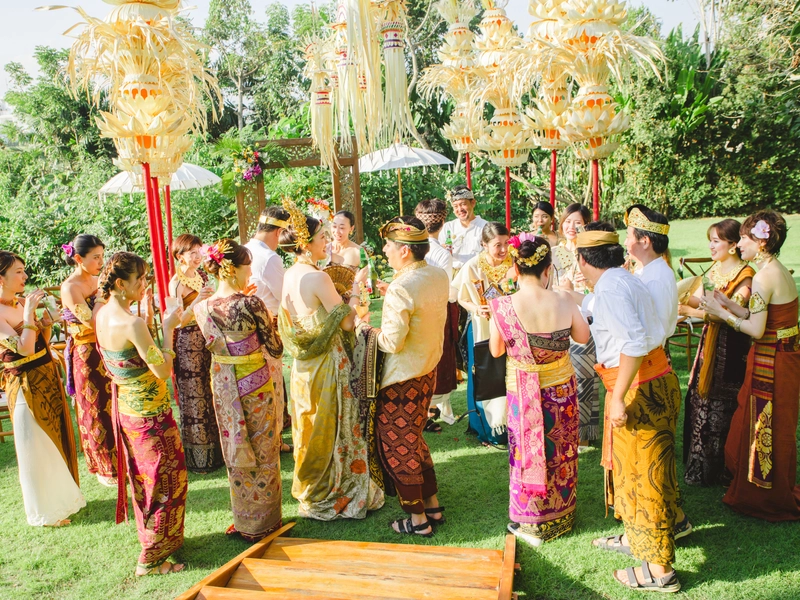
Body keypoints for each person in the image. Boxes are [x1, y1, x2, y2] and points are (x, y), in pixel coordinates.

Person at [577, 224, 682, 593]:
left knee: (645, 479)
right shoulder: (626, 278)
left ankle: (659, 570)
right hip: (656, 381)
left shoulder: (608, 289)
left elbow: (634, 343)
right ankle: (640, 539)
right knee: (646, 473)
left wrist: (618, 396)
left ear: (582, 260)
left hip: (640, 389)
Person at [278, 199, 382, 520]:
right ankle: (336, 489)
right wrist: (353, 289)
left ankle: (311, 487)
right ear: (305, 244)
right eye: (322, 236)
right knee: (334, 424)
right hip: (328, 362)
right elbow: (348, 322)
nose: (327, 241)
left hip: (301, 366)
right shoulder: (319, 278)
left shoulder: (289, 275)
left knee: (308, 425)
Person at [489, 234, 589, 546]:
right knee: (560, 451)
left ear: (515, 270)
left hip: (523, 391)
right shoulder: (563, 299)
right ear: (548, 269)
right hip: (561, 391)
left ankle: (530, 521)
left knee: (526, 452)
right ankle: (562, 514)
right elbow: (583, 337)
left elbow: (495, 351)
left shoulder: (503, 306)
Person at [702, 211, 800, 521]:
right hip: (782, 355)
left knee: (765, 423)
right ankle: (770, 486)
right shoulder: (775, 270)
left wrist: (723, 313)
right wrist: (730, 304)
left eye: (744, 238)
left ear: (761, 241)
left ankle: (763, 494)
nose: (740, 244)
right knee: (774, 424)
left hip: (773, 360)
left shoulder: (762, 276)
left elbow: (756, 330)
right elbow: (762, 318)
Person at [95, 252, 187, 576]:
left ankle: (160, 542)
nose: (145, 284)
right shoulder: (132, 323)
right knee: (166, 481)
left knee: (145, 481)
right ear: (120, 284)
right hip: (150, 413)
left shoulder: (102, 315)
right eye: (141, 279)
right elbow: (162, 370)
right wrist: (167, 327)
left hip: (128, 412)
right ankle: (150, 559)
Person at [194, 239, 285, 541]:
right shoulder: (251, 304)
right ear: (233, 268)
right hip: (255, 386)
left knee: (235, 449)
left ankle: (244, 520)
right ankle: (265, 523)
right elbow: (275, 346)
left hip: (222, 386)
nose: (251, 273)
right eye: (248, 267)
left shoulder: (201, 307)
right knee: (263, 449)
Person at [373, 217, 449, 537]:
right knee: (414, 439)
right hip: (427, 371)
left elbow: (391, 342)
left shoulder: (402, 286)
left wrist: (367, 332)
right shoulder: (438, 274)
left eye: (389, 245)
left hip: (401, 380)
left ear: (405, 251)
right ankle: (431, 505)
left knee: (397, 446)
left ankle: (418, 521)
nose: (385, 250)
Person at [0, 251, 85, 527]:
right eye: (18, 272)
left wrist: (46, 324)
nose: (25, 276)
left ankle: (63, 499)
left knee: (54, 437)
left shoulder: (20, 301)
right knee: (34, 444)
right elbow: (21, 348)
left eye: (24, 271)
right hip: (23, 384)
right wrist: (27, 315)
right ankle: (43, 513)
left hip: (46, 375)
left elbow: (39, 341)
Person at [679, 219, 754, 486]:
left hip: (731, 349)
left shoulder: (745, 276)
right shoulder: (717, 270)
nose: (711, 246)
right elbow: (709, 304)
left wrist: (692, 311)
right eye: (710, 240)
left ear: (733, 245)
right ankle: (699, 463)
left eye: (716, 241)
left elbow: (727, 314)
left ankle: (722, 467)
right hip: (709, 342)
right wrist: (683, 296)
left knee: (721, 404)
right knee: (701, 397)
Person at [60, 234, 117, 486]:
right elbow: (90, 321)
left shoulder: (97, 279)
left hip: (105, 346)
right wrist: (104, 296)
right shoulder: (70, 287)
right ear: (78, 258)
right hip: (85, 351)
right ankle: (105, 467)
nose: (100, 262)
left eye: (102, 256)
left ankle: (121, 458)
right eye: (95, 257)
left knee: (113, 403)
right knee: (95, 409)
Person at [454, 222, 513, 446]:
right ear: (484, 244)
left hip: (510, 326)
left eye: (507, 243)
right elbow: (461, 297)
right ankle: (485, 426)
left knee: (508, 373)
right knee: (483, 375)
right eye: (497, 245)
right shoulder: (472, 266)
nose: (503, 250)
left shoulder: (514, 264)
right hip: (482, 326)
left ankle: (509, 422)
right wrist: (476, 308)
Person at [168, 234, 222, 473]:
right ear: (180, 256)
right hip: (187, 341)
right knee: (194, 396)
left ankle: (216, 451)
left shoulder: (201, 275)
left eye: (199, 251)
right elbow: (177, 320)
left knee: (209, 391)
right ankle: (198, 458)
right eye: (192, 253)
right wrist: (196, 302)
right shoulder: (175, 283)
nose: (198, 256)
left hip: (205, 337)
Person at [244, 205, 293, 451]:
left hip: (246, 328)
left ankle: (266, 436)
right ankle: (273, 439)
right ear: (277, 233)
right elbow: (285, 296)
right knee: (272, 384)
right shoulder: (270, 257)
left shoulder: (245, 248)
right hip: (268, 325)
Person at [554, 203, 600, 446]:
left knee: (584, 375)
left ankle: (584, 432)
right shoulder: (553, 252)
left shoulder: (591, 252)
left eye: (577, 222)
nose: (571, 226)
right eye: (568, 221)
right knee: (563, 376)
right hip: (559, 317)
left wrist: (589, 283)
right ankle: (564, 428)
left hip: (585, 316)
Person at [415, 198, 458, 428]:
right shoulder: (442, 253)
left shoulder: (411, 248)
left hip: (417, 307)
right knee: (435, 356)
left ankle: (426, 407)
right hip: (435, 308)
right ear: (442, 224)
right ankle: (429, 409)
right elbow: (444, 285)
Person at [624, 205, 678, 346]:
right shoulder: (646, 270)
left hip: (648, 356)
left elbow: (657, 331)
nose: (625, 242)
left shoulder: (656, 278)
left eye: (628, 236)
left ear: (645, 241)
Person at [439, 185, 488, 270]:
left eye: (463, 204)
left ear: (473, 203)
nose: (460, 209)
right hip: (452, 275)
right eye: (455, 206)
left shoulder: (485, 227)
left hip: (477, 274)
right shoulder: (448, 227)